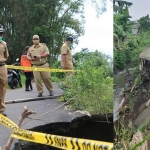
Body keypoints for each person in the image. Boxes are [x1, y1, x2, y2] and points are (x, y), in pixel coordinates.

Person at [0, 25, 9, 116]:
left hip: (2, 67)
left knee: (2, 88)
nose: (0, 35)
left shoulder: (4, 44)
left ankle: (1, 109)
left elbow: (6, 56)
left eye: (1, 33)